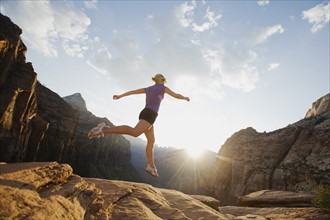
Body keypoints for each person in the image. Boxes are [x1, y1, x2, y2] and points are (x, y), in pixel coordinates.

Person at [87, 74, 190, 177]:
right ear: (163, 80)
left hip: (144, 113)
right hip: (150, 115)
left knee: (151, 141)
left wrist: (120, 96)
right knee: (135, 132)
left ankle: (151, 167)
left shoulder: (149, 88)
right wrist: (185, 97)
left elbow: (132, 92)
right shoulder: (163, 88)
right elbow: (176, 95)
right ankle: (104, 129)